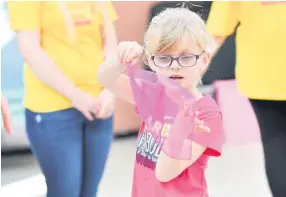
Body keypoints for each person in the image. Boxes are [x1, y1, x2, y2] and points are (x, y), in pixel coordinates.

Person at [97, 7, 224, 197]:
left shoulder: (206, 114)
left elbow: (164, 173)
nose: (174, 65)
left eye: (186, 57)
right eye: (164, 58)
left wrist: (178, 132)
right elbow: (105, 79)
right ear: (151, 61)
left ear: (204, 60)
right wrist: (120, 59)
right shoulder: (154, 93)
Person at [7, 2, 118, 197]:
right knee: (64, 192)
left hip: (100, 104)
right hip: (52, 109)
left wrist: (110, 89)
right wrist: (76, 96)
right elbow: (30, 50)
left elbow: (110, 43)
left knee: (89, 192)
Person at [206, 2, 286, 197]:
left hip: (262, 74)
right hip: (261, 76)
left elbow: (216, 30)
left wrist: (188, 69)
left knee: (275, 143)